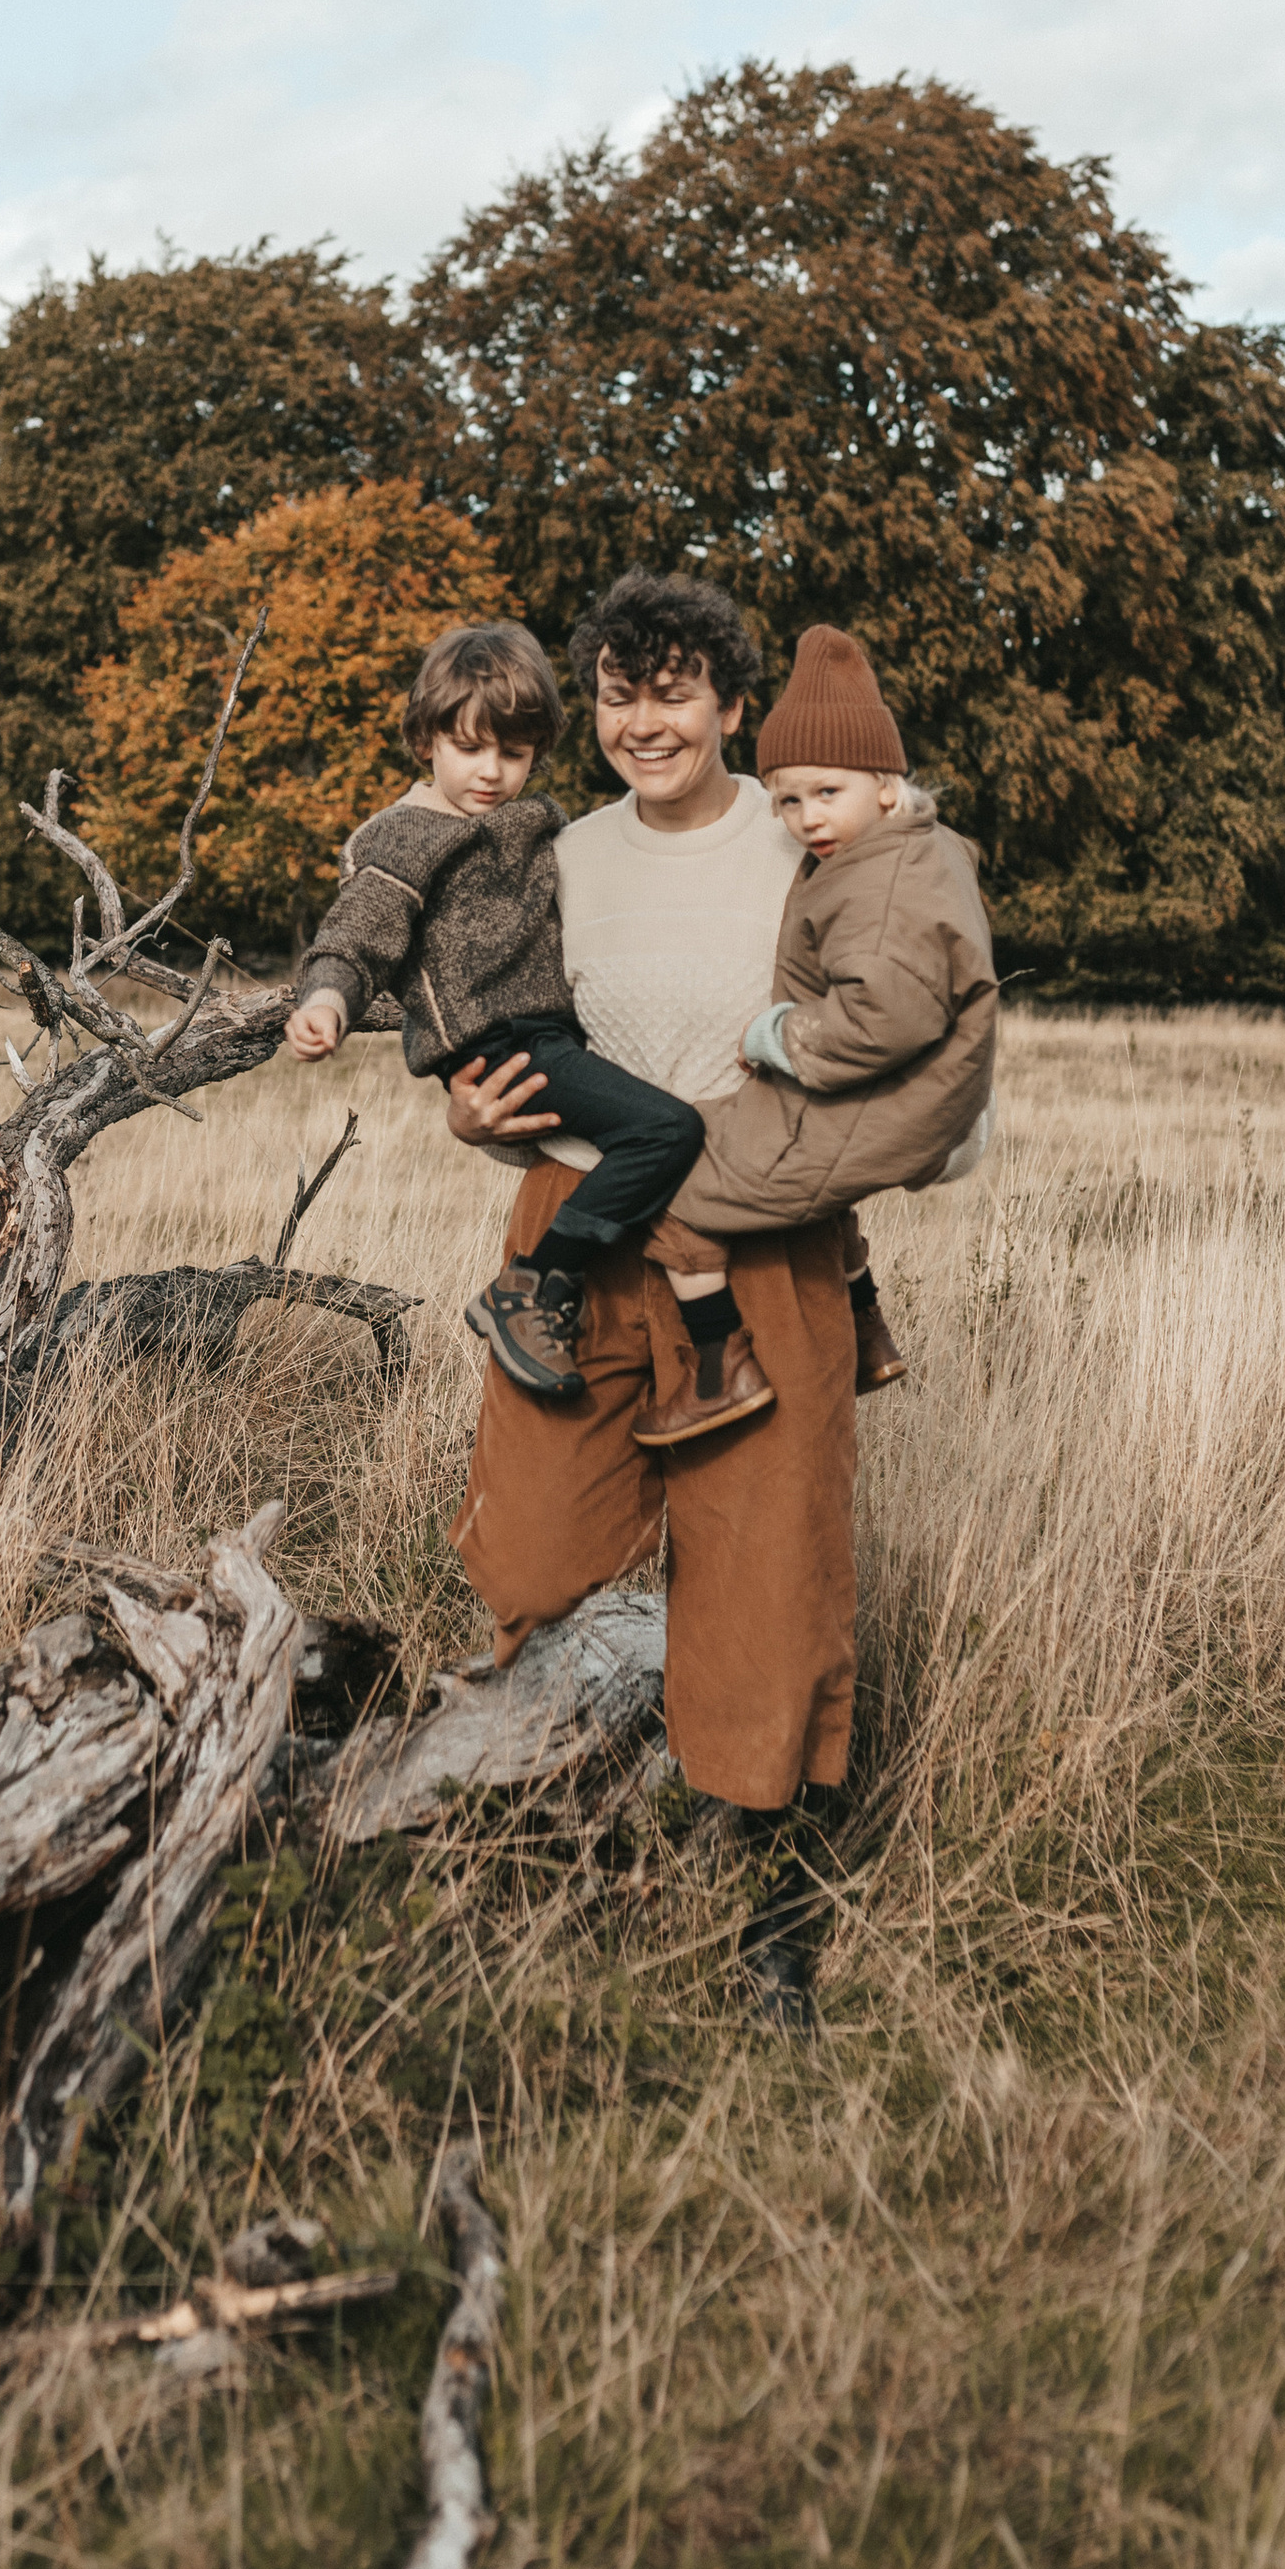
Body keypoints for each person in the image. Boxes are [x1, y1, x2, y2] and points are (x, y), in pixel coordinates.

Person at [442, 569, 862, 2026]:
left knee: (767, 1575)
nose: (643, 721)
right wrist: (470, 1110)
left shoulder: (803, 842)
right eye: (619, 693)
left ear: (735, 708)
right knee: (534, 1551)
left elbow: (907, 1029)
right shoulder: (553, 851)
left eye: (674, 691)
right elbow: (486, 1016)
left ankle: (770, 1916)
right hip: (574, 1231)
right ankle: (533, 1850)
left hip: (754, 1232)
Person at [282, 621, 710, 1401]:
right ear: (426, 739)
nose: (491, 772)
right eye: (470, 749)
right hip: (497, 1045)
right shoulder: (405, 838)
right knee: (668, 1130)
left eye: (513, 754)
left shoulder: (530, 820)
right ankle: (535, 1285)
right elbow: (357, 931)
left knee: (664, 1131)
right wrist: (326, 1000)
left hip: (551, 1033)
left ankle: (674, 1332)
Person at [630, 624, 998, 1448]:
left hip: (894, 1095)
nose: (805, 818)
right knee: (803, 1182)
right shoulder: (913, 852)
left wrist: (776, 1035)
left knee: (670, 1180)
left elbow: (884, 1019)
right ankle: (868, 1328)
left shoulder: (883, 878)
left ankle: (719, 1370)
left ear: (889, 787)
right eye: (788, 800)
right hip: (915, 1094)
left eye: (828, 793)